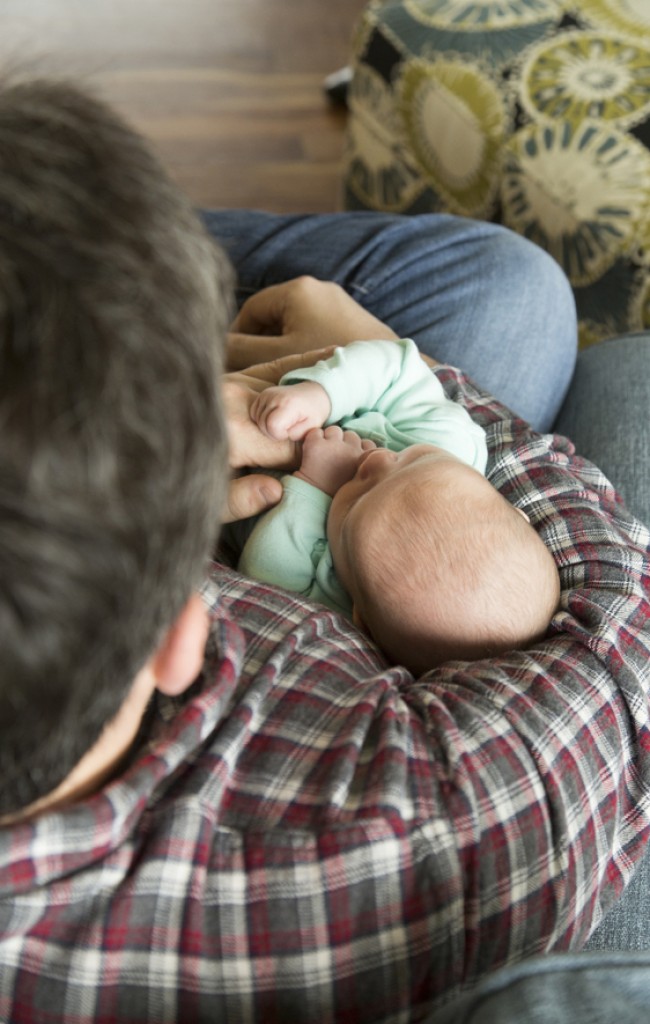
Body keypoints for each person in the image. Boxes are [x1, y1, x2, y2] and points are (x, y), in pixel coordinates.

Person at [0, 74, 649, 1024]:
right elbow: (624, 644)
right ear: (190, 627)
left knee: (508, 288)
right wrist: (422, 404)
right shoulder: (428, 835)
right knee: (542, 311)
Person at [235, 338, 559, 673]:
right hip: (283, 383)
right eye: (410, 460)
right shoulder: (451, 442)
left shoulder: (331, 604)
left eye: (357, 501)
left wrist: (314, 487)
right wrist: (321, 395)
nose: (374, 461)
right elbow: (398, 368)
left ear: (361, 618)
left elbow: (265, 578)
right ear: (513, 509)